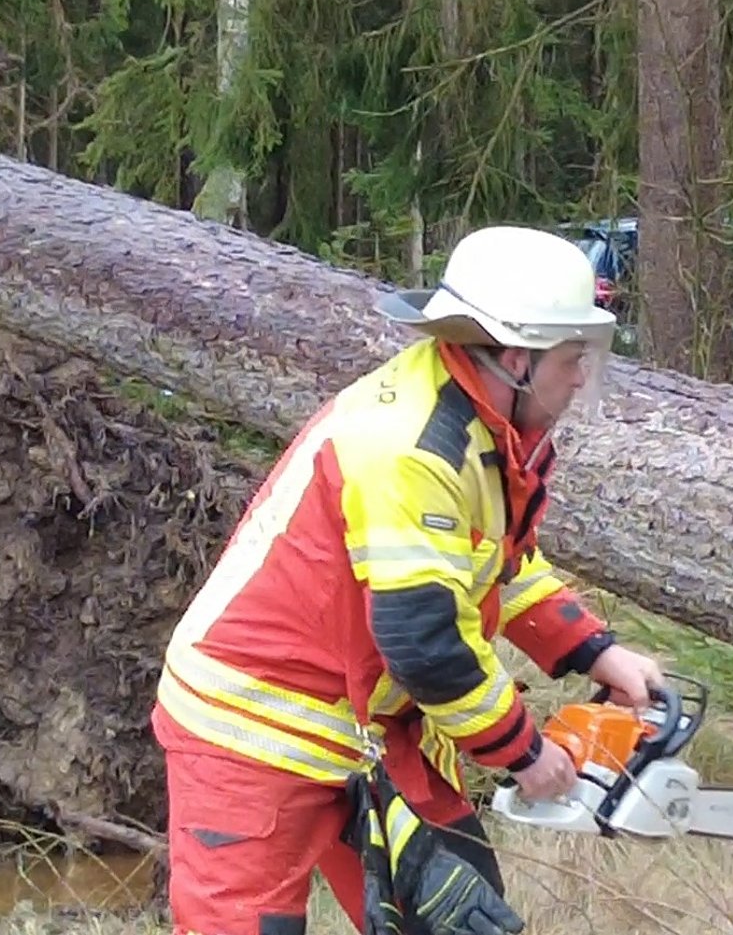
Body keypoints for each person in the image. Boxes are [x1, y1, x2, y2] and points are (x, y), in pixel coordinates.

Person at [152, 224, 666, 935]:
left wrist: (593, 650)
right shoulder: (409, 448)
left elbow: (496, 565)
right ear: (516, 356)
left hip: (368, 719)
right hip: (255, 727)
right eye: (572, 357)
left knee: (463, 913)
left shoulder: (486, 431)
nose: (580, 377)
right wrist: (525, 752)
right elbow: (425, 642)